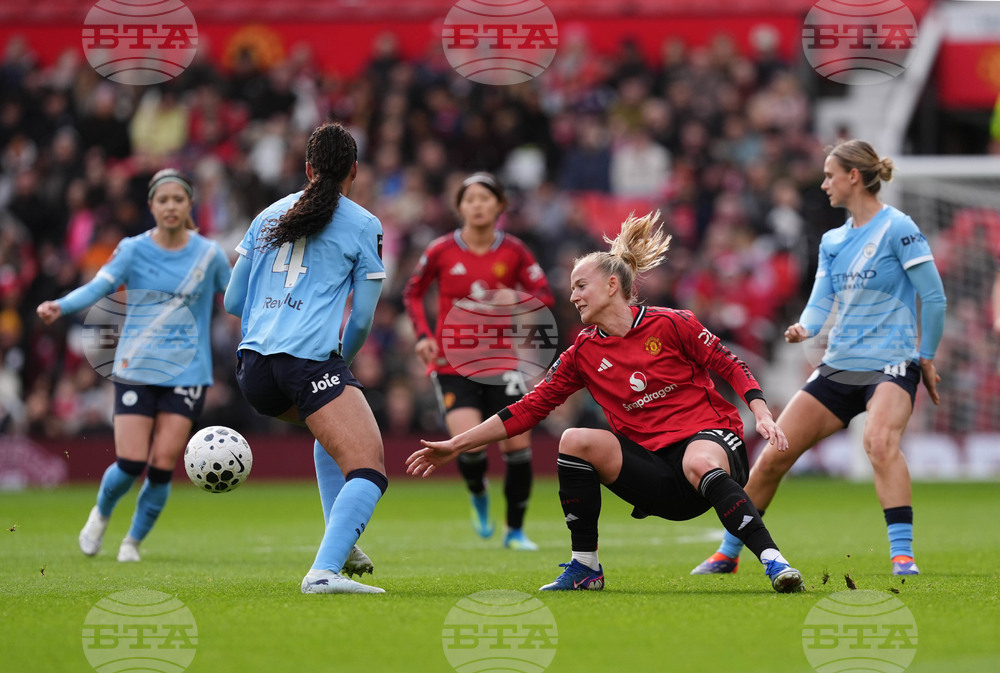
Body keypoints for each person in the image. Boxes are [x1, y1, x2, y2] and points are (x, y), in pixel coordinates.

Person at [407, 211, 805, 593]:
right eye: (572, 288)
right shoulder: (581, 353)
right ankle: (585, 567)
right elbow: (528, 408)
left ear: (612, 285)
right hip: (657, 477)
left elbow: (730, 363)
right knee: (574, 440)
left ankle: (774, 561)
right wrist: (456, 445)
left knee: (698, 461)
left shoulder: (672, 323)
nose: (573, 296)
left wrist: (761, 412)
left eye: (581, 286)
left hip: (712, 447)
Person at [692, 139, 947, 577]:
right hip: (840, 365)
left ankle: (902, 556)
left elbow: (935, 297)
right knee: (774, 454)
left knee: (879, 442)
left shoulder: (899, 227)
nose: (824, 184)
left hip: (891, 364)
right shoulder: (832, 240)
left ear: (854, 176)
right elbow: (820, 301)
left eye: (830, 176)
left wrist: (925, 357)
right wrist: (804, 328)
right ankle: (728, 553)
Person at [224, 121, 387, 594]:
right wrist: (342, 367)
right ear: (353, 171)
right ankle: (323, 573)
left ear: (309, 168)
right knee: (369, 467)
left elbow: (233, 302)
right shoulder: (364, 224)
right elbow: (361, 319)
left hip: (253, 369)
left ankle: (342, 542)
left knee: (331, 434)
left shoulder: (268, 214)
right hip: (309, 363)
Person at [36, 168, 231, 562]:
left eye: (178, 199)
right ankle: (101, 514)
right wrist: (61, 305)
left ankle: (132, 542)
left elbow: (236, 298)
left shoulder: (209, 255)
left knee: (161, 465)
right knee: (130, 463)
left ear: (189, 205)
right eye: (163, 199)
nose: (171, 206)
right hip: (137, 366)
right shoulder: (132, 249)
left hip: (188, 372)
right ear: (152, 206)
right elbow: (100, 286)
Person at [402, 172, 554, 551]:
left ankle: (515, 531)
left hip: (503, 364)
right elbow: (412, 293)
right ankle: (478, 492)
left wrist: (518, 299)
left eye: (485, 198)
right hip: (452, 365)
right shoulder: (440, 250)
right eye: (470, 199)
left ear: (500, 205)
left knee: (517, 447)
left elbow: (545, 294)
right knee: (468, 446)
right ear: (460, 207)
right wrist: (423, 336)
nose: (478, 205)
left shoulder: (515, 251)